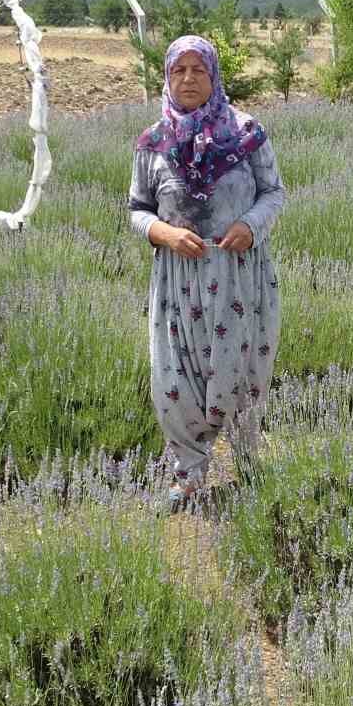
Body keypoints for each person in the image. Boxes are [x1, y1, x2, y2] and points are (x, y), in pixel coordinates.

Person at [128, 35, 286, 509]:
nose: (189, 79)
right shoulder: (152, 143)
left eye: (199, 70)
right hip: (179, 282)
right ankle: (189, 473)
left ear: (214, 76)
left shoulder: (247, 132)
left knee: (241, 375)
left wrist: (249, 225)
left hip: (239, 276)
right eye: (179, 70)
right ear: (167, 77)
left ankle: (248, 462)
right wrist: (163, 233)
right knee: (175, 380)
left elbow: (274, 192)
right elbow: (136, 209)